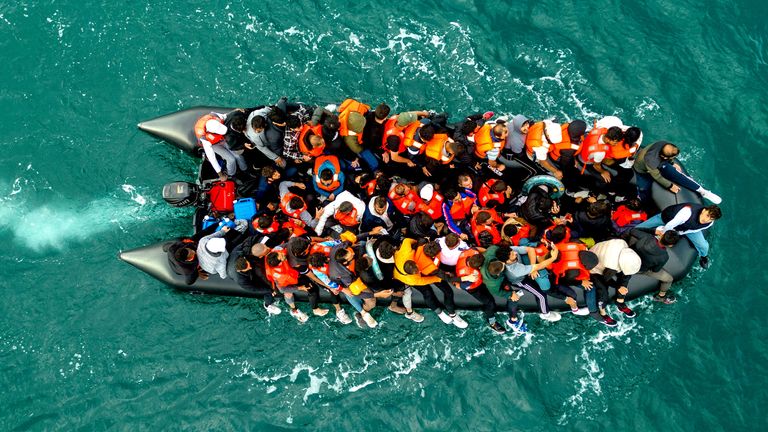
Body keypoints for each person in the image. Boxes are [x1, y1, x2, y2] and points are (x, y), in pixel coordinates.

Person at [393, 238, 467, 327]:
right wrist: (439, 279)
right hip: (407, 277)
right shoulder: (415, 277)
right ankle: (440, 313)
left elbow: (407, 240)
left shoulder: (411, 250)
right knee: (427, 292)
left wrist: (416, 241)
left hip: (410, 268)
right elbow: (427, 280)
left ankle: (452, 314)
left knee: (447, 291)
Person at [635, 203, 722, 269]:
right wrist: (663, 235)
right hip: (666, 219)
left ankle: (703, 257)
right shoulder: (686, 213)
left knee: (704, 246)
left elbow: (695, 229)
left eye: (711, 218)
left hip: (686, 228)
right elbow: (670, 225)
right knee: (638, 228)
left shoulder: (709, 222)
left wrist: (680, 233)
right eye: (707, 215)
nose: (706, 220)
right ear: (704, 210)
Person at [633, 141, 721, 204]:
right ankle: (640, 200)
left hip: (659, 162)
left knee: (678, 175)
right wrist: (670, 185)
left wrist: (672, 163)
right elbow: (657, 177)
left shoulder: (663, 144)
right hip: (642, 170)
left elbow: (667, 158)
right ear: (664, 157)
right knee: (644, 188)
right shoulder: (651, 161)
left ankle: (703, 191)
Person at [588, 238, 643, 325]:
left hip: (599, 250)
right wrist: (619, 287)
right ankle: (603, 312)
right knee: (603, 290)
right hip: (594, 269)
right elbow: (605, 279)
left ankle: (620, 301)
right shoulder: (613, 265)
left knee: (627, 275)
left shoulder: (623, 244)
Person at [454, 248, 507, 333]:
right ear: (479, 268)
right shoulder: (473, 276)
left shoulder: (468, 253)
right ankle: (492, 322)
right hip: (474, 288)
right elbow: (462, 286)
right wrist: (457, 285)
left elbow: (476, 248)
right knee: (489, 302)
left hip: (464, 272)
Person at [624, 228, 681, 304]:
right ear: (670, 245)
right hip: (638, 269)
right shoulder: (664, 257)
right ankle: (660, 296)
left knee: (634, 237)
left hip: (628, 256)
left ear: (662, 235)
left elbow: (632, 230)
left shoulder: (647, 237)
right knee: (669, 279)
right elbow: (655, 270)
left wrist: (653, 231)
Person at [230, 243, 281, 315]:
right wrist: (270, 290)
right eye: (248, 268)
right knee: (267, 290)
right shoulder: (241, 280)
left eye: (249, 265)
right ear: (240, 270)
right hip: (247, 277)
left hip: (245, 263)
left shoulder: (240, 253)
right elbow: (254, 289)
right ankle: (267, 305)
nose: (250, 267)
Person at [194, 112, 247, 181]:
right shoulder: (205, 140)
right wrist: (220, 174)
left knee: (238, 155)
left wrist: (235, 111)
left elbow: (225, 116)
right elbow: (212, 158)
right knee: (231, 160)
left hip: (223, 138)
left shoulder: (215, 116)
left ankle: (245, 169)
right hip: (214, 144)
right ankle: (232, 175)